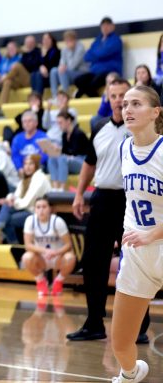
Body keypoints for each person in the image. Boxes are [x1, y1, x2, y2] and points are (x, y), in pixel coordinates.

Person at [68, 78, 150, 344]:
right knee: (93, 263)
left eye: (123, 96)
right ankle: (94, 324)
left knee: (134, 264)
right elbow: (89, 163)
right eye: (114, 96)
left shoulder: (141, 128)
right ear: (108, 98)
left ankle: (139, 327)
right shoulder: (99, 127)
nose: (118, 100)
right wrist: (80, 193)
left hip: (131, 200)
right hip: (101, 199)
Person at [108, 84, 163, 383]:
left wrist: (152, 234)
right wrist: (129, 232)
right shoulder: (123, 148)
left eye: (136, 103)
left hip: (160, 244)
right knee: (120, 343)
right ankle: (130, 376)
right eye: (125, 103)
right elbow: (131, 198)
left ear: (155, 112)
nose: (127, 109)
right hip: (137, 254)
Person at [21, 196, 76, 297]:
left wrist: (55, 252)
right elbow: (28, 245)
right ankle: (40, 281)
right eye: (38, 207)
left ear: (50, 209)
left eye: (44, 207)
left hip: (57, 257)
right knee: (26, 257)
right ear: (34, 209)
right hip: (41, 258)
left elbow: (69, 245)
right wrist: (45, 251)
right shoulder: (30, 220)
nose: (41, 210)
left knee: (70, 258)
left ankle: (58, 281)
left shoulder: (57, 221)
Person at [0, 154, 51, 244]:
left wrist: (12, 202)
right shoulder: (26, 179)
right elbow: (16, 195)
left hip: (36, 212)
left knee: (7, 219)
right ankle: (0, 234)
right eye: (25, 164)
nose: (27, 167)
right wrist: (10, 199)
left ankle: (3, 236)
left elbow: (26, 202)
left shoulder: (40, 179)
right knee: (6, 208)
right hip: (26, 210)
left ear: (36, 165)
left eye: (31, 164)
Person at [74, 16, 123, 98]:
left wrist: (96, 54)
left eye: (107, 25)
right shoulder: (98, 40)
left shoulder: (116, 40)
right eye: (103, 26)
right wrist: (99, 54)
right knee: (78, 80)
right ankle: (94, 97)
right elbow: (86, 56)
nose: (105, 28)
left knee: (93, 83)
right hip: (95, 72)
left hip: (110, 71)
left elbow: (103, 53)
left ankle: (81, 91)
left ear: (112, 26)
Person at [0, 35, 41, 107]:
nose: (11, 50)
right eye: (9, 48)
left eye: (12, 48)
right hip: (16, 81)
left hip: (28, 79)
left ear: (17, 48)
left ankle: (1, 81)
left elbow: (23, 66)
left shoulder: (21, 56)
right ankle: (1, 107)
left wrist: (5, 76)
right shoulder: (5, 59)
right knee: (7, 82)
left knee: (17, 66)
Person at [48, 111, 89, 190]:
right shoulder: (64, 135)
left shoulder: (78, 134)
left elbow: (75, 152)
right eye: (58, 123)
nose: (59, 126)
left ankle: (62, 187)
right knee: (52, 158)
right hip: (71, 160)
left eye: (61, 123)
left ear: (68, 121)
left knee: (62, 158)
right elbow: (65, 152)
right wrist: (57, 149)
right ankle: (55, 186)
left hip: (82, 161)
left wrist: (61, 151)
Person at [50, 30, 88, 99]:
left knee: (63, 71)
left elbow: (73, 66)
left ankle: (66, 95)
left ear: (75, 40)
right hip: (68, 73)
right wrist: (61, 66)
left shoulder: (80, 48)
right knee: (53, 71)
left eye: (70, 40)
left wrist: (70, 50)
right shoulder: (64, 50)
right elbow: (61, 63)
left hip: (81, 73)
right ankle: (55, 96)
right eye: (66, 40)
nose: (67, 42)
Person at [35, 32, 60, 97]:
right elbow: (37, 65)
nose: (45, 41)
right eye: (44, 39)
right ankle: (34, 96)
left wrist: (44, 57)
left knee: (38, 75)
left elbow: (55, 66)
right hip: (43, 78)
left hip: (52, 77)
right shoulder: (39, 53)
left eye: (47, 39)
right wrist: (41, 66)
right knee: (34, 74)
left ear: (52, 40)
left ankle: (37, 97)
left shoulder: (57, 52)